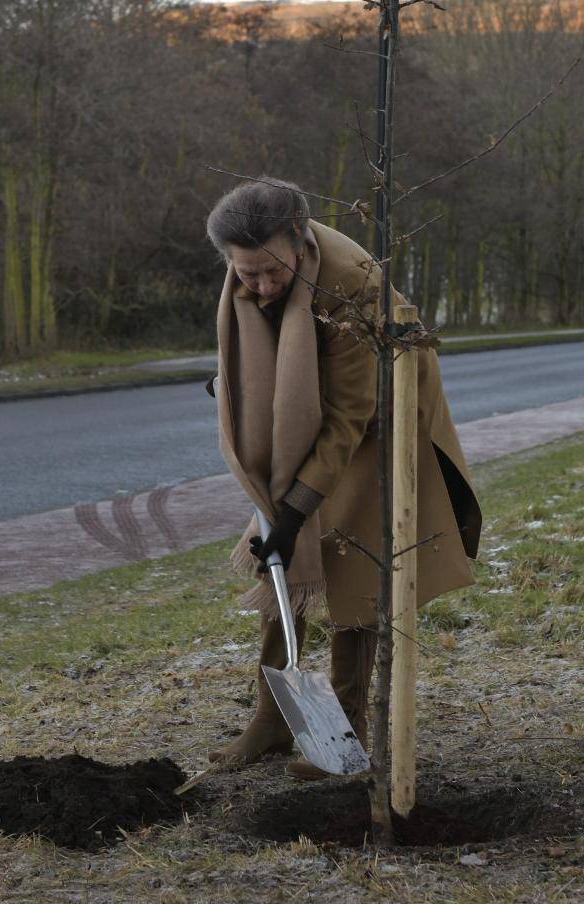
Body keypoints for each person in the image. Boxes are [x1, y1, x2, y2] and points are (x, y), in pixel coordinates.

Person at [204, 176, 482, 779]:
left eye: (272, 272)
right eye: (247, 274)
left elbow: (350, 416)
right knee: (284, 558)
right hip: (303, 408)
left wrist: (296, 510)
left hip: (384, 411)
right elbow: (253, 355)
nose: (262, 286)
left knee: (349, 555)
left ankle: (348, 722)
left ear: (300, 241)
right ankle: (273, 719)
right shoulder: (246, 271)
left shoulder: (350, 284)